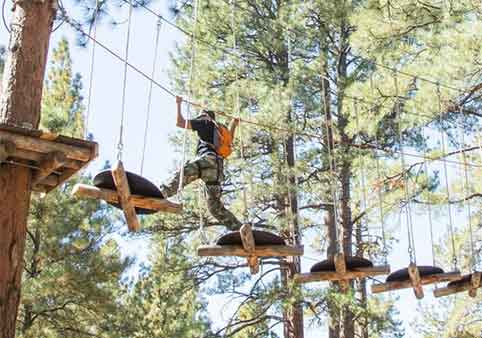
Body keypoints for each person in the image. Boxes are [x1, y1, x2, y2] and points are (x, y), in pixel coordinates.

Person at [159, 96, 242, 230]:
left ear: (205, 115)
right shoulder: (221, 130)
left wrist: (178, 104)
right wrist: (234, 123)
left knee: (183, 174)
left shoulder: (204, 121)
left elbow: (180, 123)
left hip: (207, 160)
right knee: (214, 207)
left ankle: (161, 193)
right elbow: (230, 139)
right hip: (217, 168)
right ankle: (239, 228)